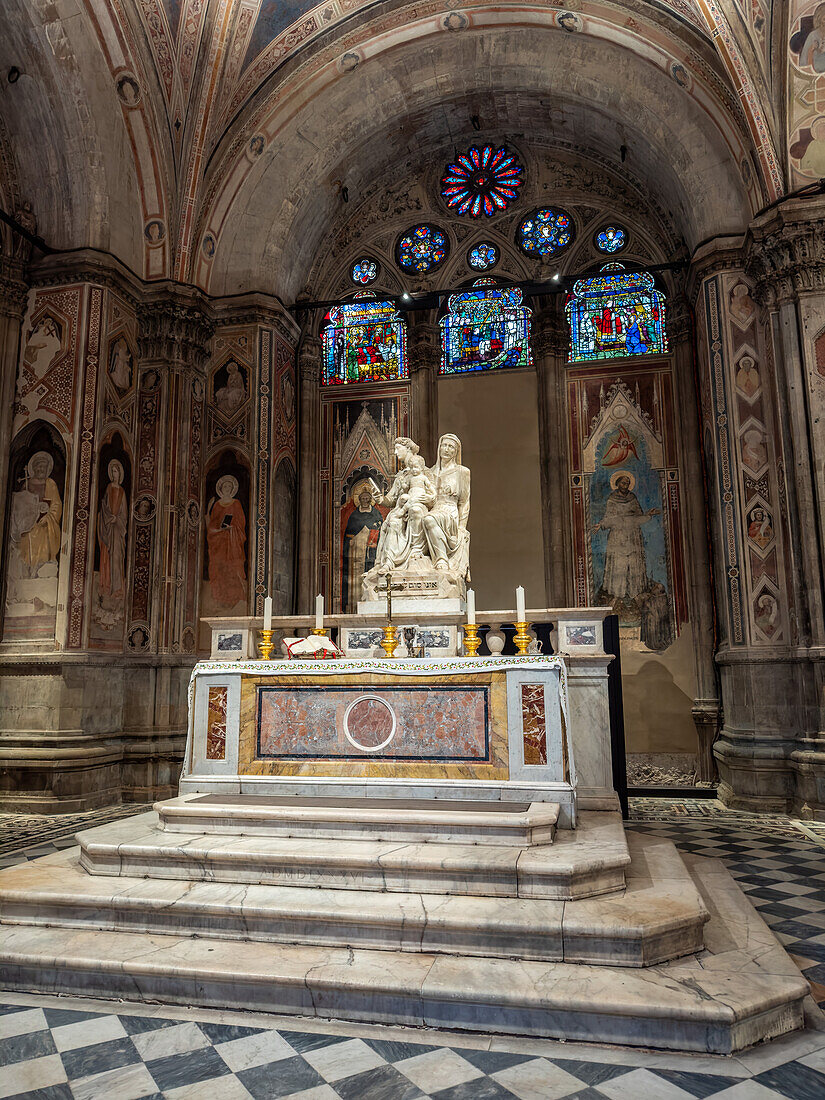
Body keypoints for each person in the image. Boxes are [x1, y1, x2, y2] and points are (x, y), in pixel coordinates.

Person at [594, 473, 658, 603]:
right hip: (617, 537)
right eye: (623, 483)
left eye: (627, 483)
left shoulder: (632, 498)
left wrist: (648, 515)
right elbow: (609, 517)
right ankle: (618, 593)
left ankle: (635, 592)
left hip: (633, 536)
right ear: (617, 484)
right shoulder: (612, 499)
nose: (625, 486)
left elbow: (638, 517)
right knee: (619, 563)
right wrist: (601, 525)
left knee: (634, 563)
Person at [422, 433, 471, 577]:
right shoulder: (429, 472)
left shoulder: (462, 472)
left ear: (456, 451)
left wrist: (462, 527)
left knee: (429, 519)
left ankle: (442, 559)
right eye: (444, 445)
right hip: (434, 509)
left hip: (450, 511)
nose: (447, 449)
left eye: (451, 447)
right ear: (439, 448)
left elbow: (464, 502)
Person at [14, 451, 62, 578]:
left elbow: (56, 504)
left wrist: (48, 517)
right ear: (34, 468)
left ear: (48, 469)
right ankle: (25, 575)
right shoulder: (26, 483)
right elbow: (20, 505)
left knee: (44, 540)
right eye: (39, 466)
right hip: (28, 525)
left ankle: (40, 574)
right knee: (25, 542)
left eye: (44, 466)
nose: (41, 469)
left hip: (44, 525)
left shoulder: (50, 484)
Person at [205, 475, 247, 607]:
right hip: (219, 543)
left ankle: (235, 598)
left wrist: (232, 528)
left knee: (233, 568)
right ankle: (218, 598)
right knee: (218, 569)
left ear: (233, 488)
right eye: (225, 486)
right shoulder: (217, 505)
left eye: (229, 486)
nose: (227, 488)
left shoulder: (236, 504)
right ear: (221, 489)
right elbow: (212, 524)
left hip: (232, 542)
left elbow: (241, 524)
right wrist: (218, 529)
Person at [342, 484, 384, 612]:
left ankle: (374, 604)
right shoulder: (354, 516)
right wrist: (355, 541)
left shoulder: (376, 514)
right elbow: (348, 535)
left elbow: (382, 532)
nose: (365, 501)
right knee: (357, 581)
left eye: (367, 498)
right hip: (356, 554)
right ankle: (354, 606)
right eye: (363, 499)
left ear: (371, 499)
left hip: (372, 553)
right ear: (359, 500)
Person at [98, 460, 128, 599]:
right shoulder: (109, 488)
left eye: (116, 472)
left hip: (118, 529)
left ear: (120, 474)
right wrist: (110, 517)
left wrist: (118, 519)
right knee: (107, 556)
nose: (114, 474)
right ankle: (106, 586)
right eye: (113, 472)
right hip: (108, 526)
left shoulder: (122, 491)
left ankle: (117, 588)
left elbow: (124, 513)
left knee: (117, 557)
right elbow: (104, 506)